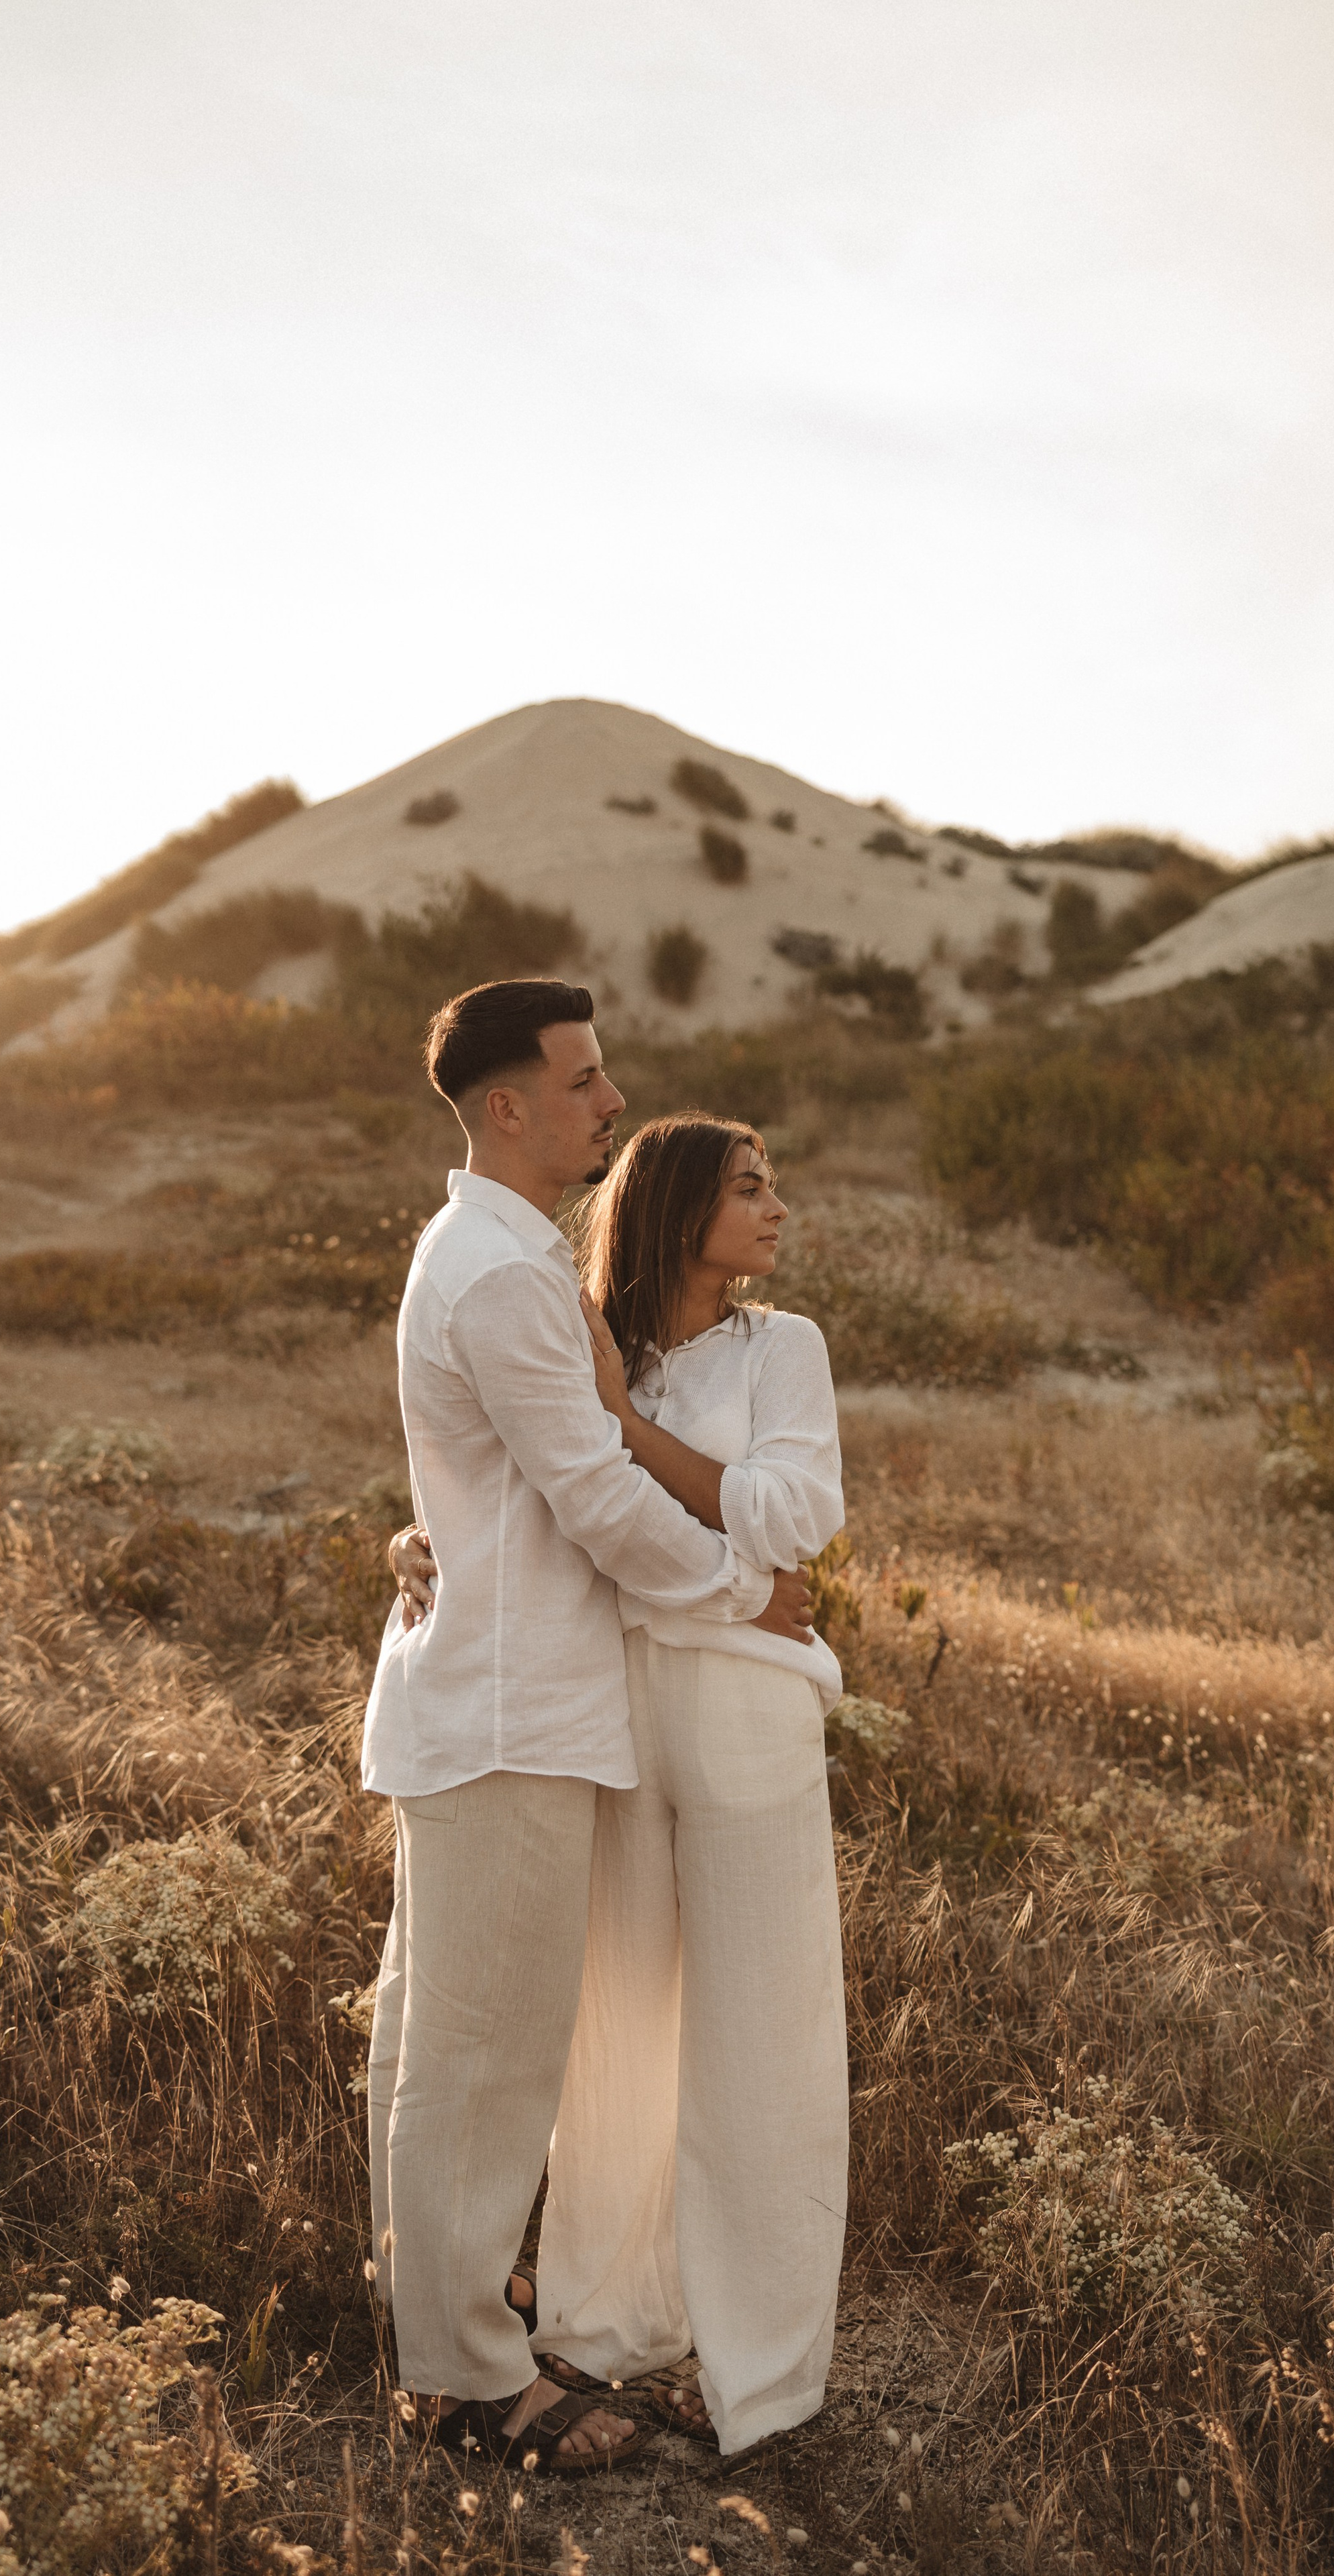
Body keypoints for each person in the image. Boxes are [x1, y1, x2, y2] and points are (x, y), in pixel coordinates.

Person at [363, 980, 814, 2477]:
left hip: (499, 1697)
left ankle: (437, 2332)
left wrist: (423, 1538)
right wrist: (743, 1593)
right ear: (507, 1107)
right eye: (583, 1080)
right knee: (482, 2064)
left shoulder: (494, 1255)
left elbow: (491, 1480)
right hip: (511, 1713)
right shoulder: (500, 1274)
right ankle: (469, 2385)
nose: (612, 1103)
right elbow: (593, 1495)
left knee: (441, 2047)